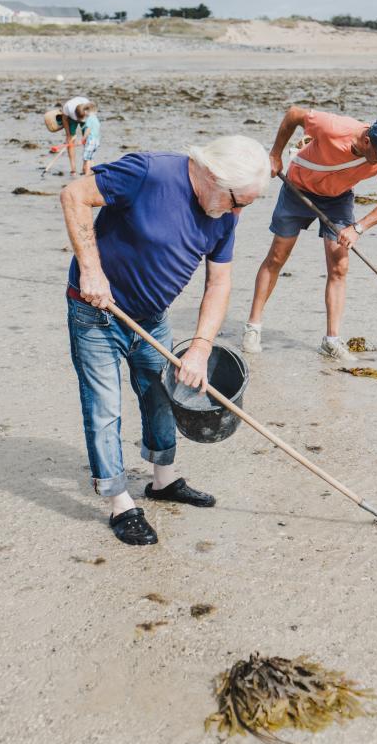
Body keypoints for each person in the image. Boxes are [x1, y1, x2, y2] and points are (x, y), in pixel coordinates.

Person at [61, 136, 270, 547]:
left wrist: (201, 346)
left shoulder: (224, 214)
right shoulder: (149, 172)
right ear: (212, 175)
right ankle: (120, 503)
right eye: (237, 201)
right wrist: (91, 270)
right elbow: (74, 195)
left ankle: (163, 480)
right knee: (104, 409)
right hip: (96, 313)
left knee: (160, 397)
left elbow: (220, 281)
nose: (239, 212)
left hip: (152, 319)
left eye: (246, 204)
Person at [241, 107, 377, 366]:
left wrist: (357, 228)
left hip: (337, 200)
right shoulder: (334, 127)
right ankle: (253, 327)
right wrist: (275, 155)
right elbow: (294, 114)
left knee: (339, 266)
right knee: (277, 257)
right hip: (298, 188)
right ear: (367, 141)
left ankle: (331, 341)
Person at [61, 95, 90, 177]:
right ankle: (73, 169)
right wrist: (68, 135)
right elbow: (64, 119)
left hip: (86, 119)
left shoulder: (89, 111)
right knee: (70, 142)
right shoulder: (68, 107)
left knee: (88, 141)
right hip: (71, 118)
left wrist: (84, 139)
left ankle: (85, 165)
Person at [80, 102, 101, 175]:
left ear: (86, 111)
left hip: (91, 140)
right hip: (96, 141)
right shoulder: (96, 119)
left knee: (87, 158)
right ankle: (94, 172)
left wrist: (83, 138)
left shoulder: (89, 119)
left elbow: (88, 130)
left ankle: (87, 174)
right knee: (91, 157)